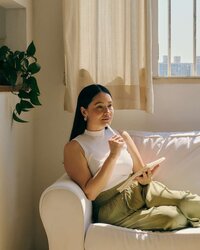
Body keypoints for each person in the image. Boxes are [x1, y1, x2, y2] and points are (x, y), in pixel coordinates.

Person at [64, 84, 200, 231]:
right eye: (99, 107)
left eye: (110, 106)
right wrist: (113, 156)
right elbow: (91, 193)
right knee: (173, 218)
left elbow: (140, 170)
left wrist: (146, 177)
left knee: (189, 202)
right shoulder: (75, 147)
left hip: (139, 189)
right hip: (113, 207)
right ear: (84, 111)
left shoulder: (121, 135)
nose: (107, 112)